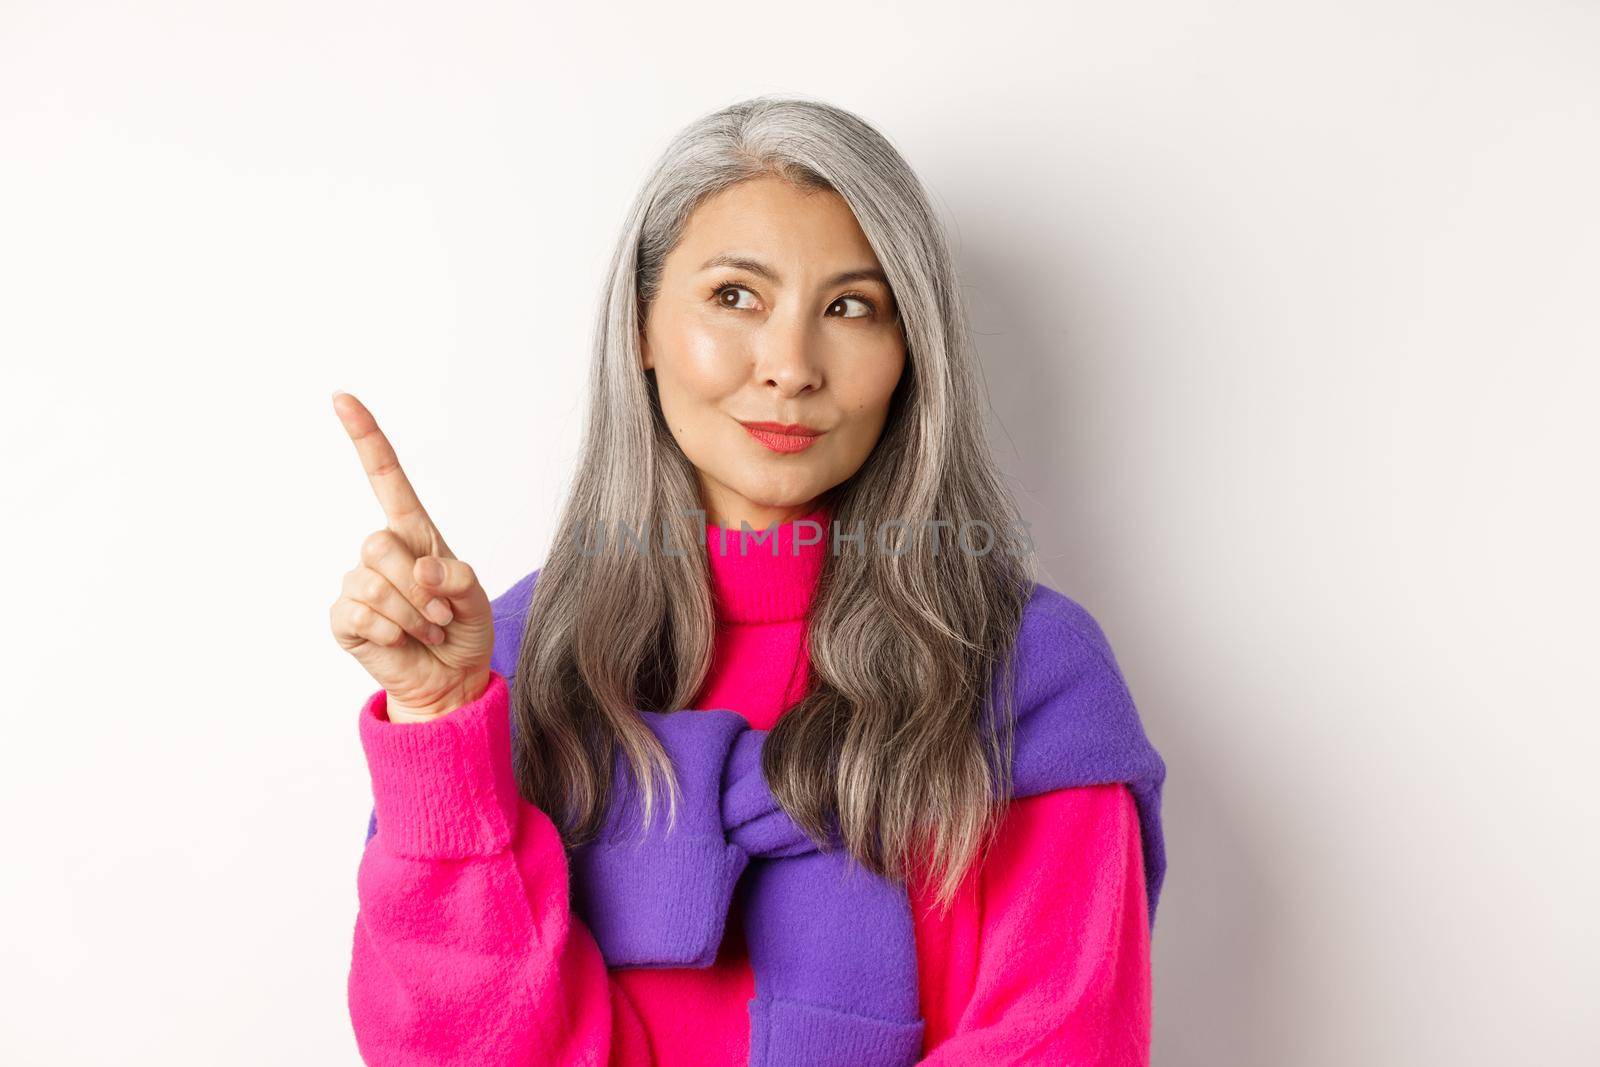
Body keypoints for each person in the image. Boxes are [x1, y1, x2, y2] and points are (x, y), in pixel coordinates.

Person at [330, 94, 1162, 1065]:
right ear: (640, 325)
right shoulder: (512, 661)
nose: (790, 365)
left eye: (851, 307)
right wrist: (436, 715)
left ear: (910, 356)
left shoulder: (1028, 668)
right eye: (735, 296)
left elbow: (1065, 1039)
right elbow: (456, 1046)